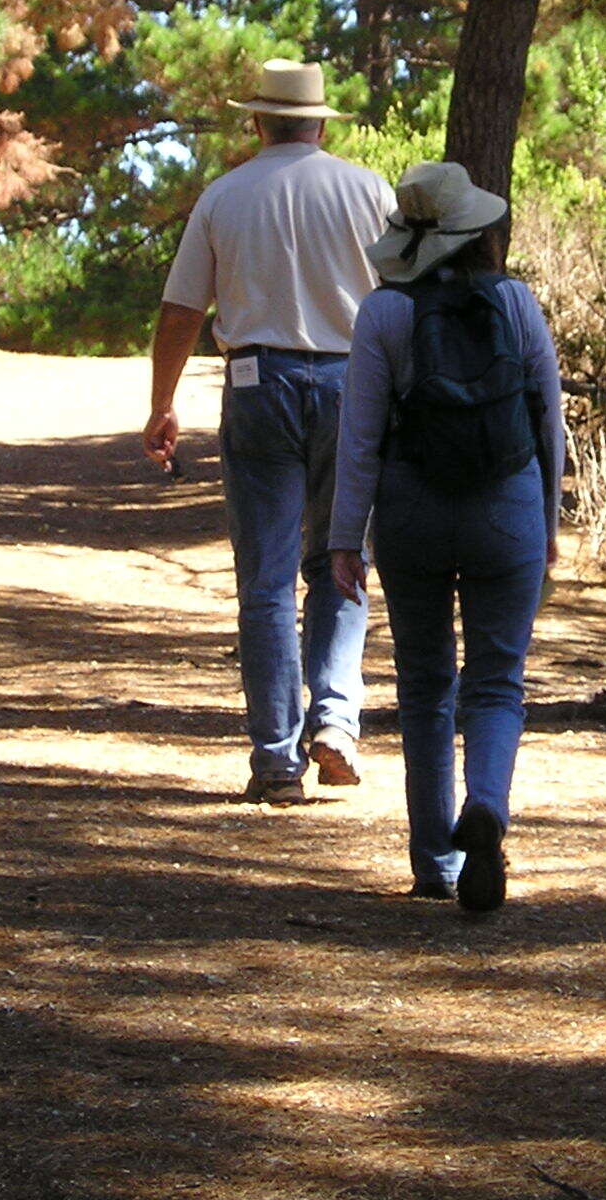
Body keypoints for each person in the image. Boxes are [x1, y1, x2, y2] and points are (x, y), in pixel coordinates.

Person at [145, 58, 394, 807]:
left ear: (257, 121)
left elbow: (183, 310)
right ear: (320, 122)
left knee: (265, 579)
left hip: (259, 384)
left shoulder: (225, 197)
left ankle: (277, 758)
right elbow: (406, 301)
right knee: (342, 560)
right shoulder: (370, 192)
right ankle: (337, 722)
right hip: (353, 385)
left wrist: (162, 403)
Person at [327, 162, 564, 911]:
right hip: (508, 507)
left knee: (426, 684)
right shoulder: (518, 303)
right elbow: (548, 424)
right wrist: (548, 522)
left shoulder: (383, 315)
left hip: (412, 511)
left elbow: (359, 439)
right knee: (498, 680)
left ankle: (437, 862)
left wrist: (344, 538)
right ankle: (487, 804)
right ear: (478, 233)